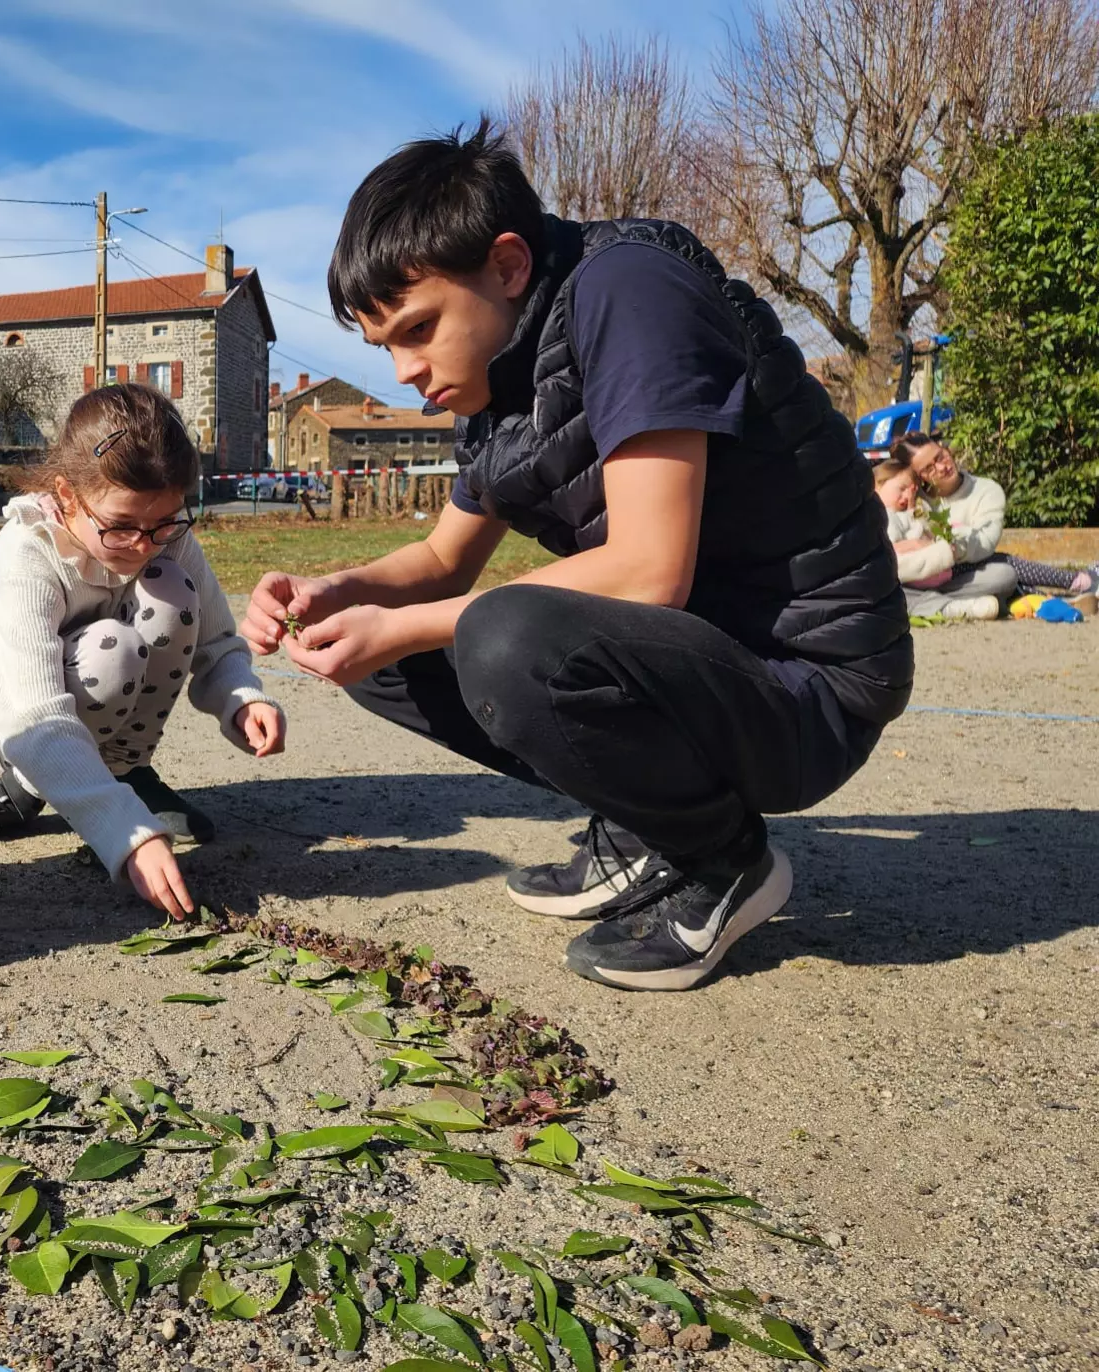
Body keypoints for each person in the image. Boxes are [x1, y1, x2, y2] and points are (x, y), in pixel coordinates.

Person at [242, 122, 912, 992]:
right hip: (707, 666)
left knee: (505, 634)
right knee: (373, 651)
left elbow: (646, 570)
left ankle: (721, 860)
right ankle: (649, 827)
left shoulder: (629, 293)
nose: (405, 370)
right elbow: (443, 560)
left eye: (419, 329)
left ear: (510, 265)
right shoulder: (497, 381)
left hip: (810, 687)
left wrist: (409, 620)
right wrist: (329, 591)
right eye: (386, 348)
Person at [0, 383, 285, 919]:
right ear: (68, 496)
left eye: (164, 522)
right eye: (121, 527)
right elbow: (34, 714)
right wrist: (124, 831)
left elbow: (214, 636)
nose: (144, 545)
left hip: (107, 702)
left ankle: (126, 770)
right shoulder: (28, 552)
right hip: (16, 721)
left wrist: (240, 697)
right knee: (110, 648)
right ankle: (24, 788)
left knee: (171, 593)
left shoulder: (166, 536)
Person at [898, 432, 1099, 603]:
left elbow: (985, 544)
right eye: (929, 468)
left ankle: (1057, 595)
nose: (942, 467)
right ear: (919, 477)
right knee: (1005, 572)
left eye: (940, 457)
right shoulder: (913, 500)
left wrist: (953, 545)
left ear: (946, 449)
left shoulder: (987, 491)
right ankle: (1072, 587)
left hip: (967, 576)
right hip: (920, 580)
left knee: (1003, 573)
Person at [873, 456, 977, 605]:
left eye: (911, 491)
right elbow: (896, 548)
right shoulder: (884, 516)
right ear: (877, 486)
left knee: (995, 567)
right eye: (901, 489)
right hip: (919, 575)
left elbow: (925, 531)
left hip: (935, 572)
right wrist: (917, 542)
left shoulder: (902, 513)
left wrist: (912, 509)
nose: (907, 496)